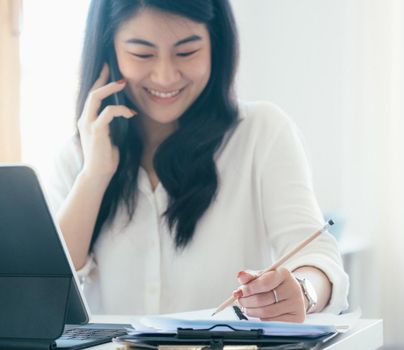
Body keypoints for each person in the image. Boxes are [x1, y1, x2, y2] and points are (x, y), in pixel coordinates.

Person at [47, 0, 349, 322]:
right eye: (142, 54)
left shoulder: (261, 133)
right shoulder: (79, 155)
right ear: (109, 52)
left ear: (215, 45)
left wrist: (303, 291)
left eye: (187, 52)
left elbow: (317, 256)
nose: (165, 76)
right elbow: (46, 285)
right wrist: (94, 175)